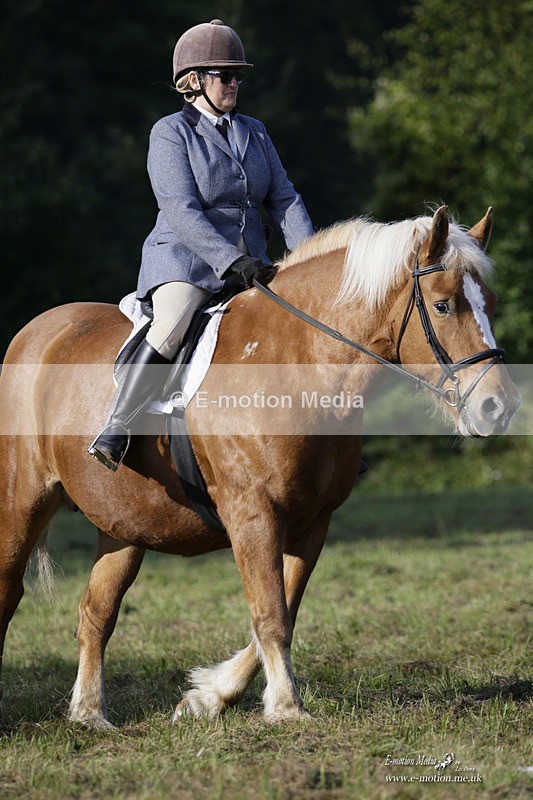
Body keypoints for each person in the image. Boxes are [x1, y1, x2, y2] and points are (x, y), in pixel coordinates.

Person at [88, 19, 314, 471]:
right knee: (172, 325)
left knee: (301, 326)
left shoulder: (256, 130)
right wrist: (231, 260)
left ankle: (324, 443)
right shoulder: (170, 132)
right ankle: (118, 425)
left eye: (238, 77)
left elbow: (284, 197)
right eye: (225, 76)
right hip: (186, 262)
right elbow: (181, 209)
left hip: (252, 263)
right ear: (193, 82)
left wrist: (311, 257)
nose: (234, 84)